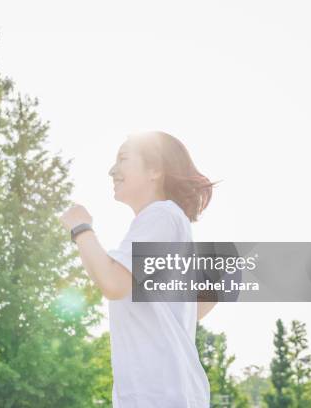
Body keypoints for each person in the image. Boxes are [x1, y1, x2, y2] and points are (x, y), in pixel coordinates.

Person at [59, 131, 218, 407]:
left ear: (155, 170)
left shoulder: (161, 215)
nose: (112, 170)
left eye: (122, 159)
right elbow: (200, 304)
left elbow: (113, 283)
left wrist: (80, 227)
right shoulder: (166, 222)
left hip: (159, 397)